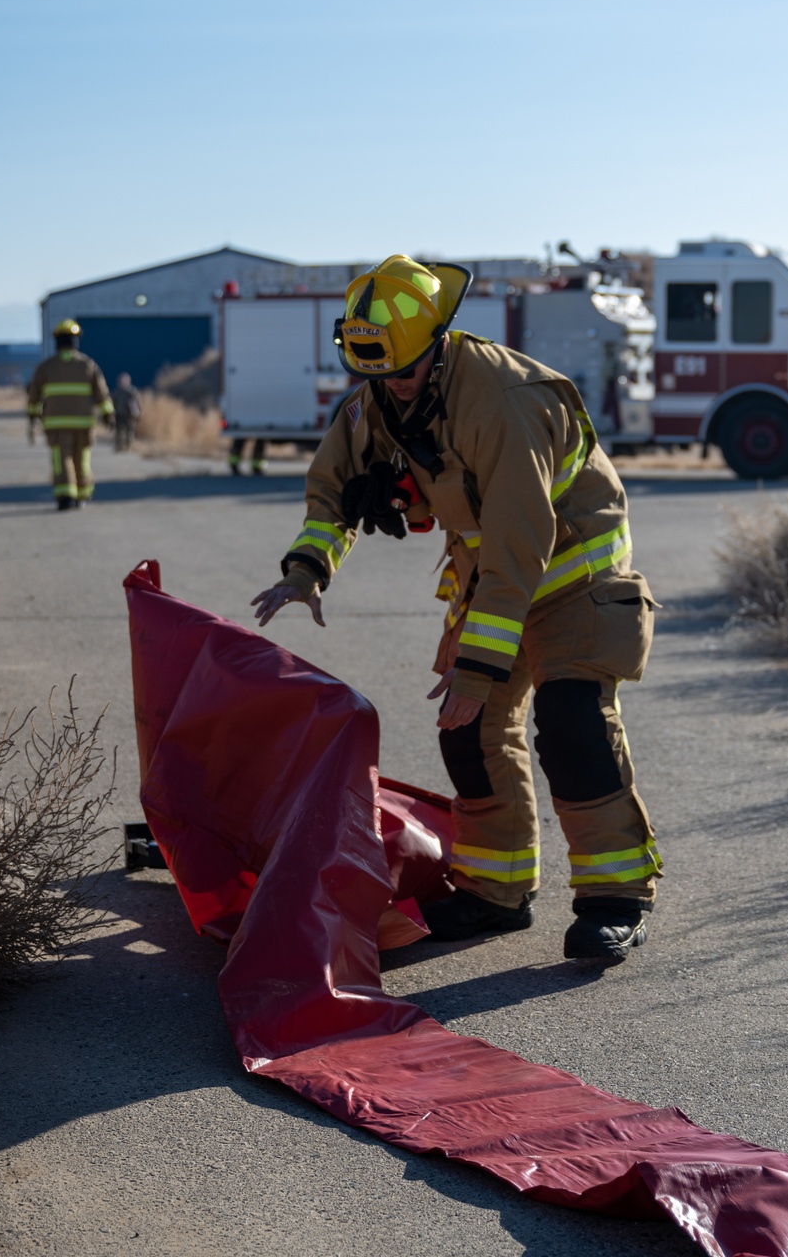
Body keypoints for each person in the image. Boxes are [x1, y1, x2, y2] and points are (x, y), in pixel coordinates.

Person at [252, 256, 660, 964]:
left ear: (438, 344)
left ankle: (616, 899)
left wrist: (476, 671)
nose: (389, 389)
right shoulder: (383, 393)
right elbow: (334, 486)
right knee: (466, 737)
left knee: (572, 726)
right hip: (492, 580)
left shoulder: (504, 401)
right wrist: (308, 567)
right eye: (375, 377)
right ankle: (497, 893)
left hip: (571, 576)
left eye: (401, 374)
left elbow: (518, 547)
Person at [27, 320, 114, 510]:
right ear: (75, 341)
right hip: (84, 423)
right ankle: (82, 495)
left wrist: (33, 417)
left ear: (57, 341)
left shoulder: (46, 367)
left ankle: (66, 496)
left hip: (56, 425)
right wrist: (108, 414)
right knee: (82, 459)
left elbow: (34, 396)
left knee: (62, 459)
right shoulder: (87, 365)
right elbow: (102, 393)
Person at [113, 372, 142, 451]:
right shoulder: (117, 392)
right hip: (119, 414)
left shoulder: (132, 392)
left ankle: (129, 446)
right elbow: (113, 403)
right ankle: (119, 446)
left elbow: (137, 403)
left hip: (129, 415)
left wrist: (138, 414)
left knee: (129, 431)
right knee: (119, 431)